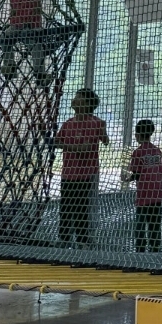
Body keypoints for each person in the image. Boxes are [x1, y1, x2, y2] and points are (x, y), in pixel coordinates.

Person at [55, 89, 108, 248]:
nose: (74, 100)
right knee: (65, 207)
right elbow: (57, 142)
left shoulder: (94, 123)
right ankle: (64, 238)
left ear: (87, 104)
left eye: (78, 98)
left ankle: (83, 240)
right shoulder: (68, 123)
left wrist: (67, 146)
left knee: (82, 208)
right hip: (68, 173)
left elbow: (86, 148)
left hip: (86, 174)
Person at [0, 0, 54, 85]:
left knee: (36, 47)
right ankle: (10, 66)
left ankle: (40, 75)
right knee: (4, 38)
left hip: (33, 28)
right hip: (16, 26)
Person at [124, 118, 162, 253]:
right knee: (155, 224)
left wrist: (128, 179)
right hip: (157, 194)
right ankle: (155, 247)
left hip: (144, 195)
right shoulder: (157, 151)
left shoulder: (138, 152)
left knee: (141, 223)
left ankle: (140, 248)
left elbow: (136, 173)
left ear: (137, 135)